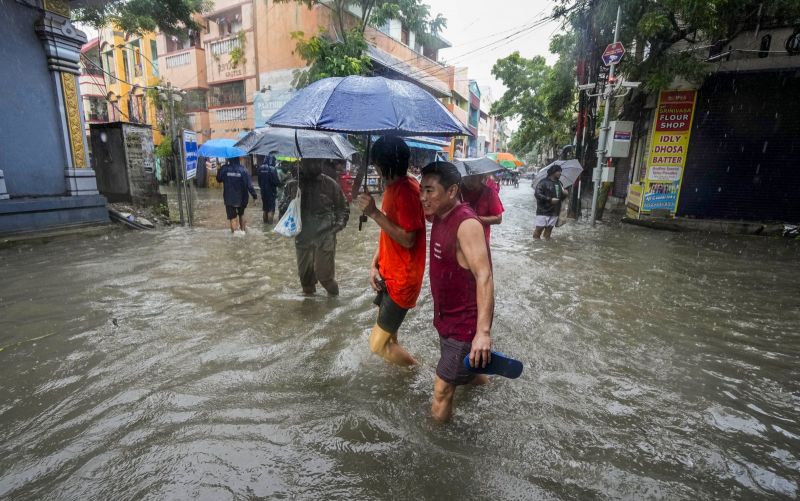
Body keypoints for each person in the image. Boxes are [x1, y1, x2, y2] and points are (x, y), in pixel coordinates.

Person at [420, 161, 494, 423]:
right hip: (446, 318)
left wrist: (482, 333)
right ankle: (491, 396)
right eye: (421, 190)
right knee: (471, 373)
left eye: (430, 190)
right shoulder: (440, 216)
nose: (423, 197)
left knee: (442, 390)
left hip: (463, 325)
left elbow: (484, 276)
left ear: (452, 191)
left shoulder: (466, 224)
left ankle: (435, 450)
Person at [356, 137, 426, 367]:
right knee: (390, 337)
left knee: (377, 345)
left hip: (402, 280)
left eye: (375, 163)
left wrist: (374, 213)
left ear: (383, 165)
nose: (374, 167)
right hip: (389, 272)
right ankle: (397, 380)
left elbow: (407, 239)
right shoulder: (393, 187)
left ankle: (419, 371)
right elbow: (389, 233)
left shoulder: (406, 191)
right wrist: (374, 263)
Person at [279, 159, 349, 295]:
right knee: (306, 282)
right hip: (303, 238)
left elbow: (343, 209)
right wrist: (290, 200)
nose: (317, 166)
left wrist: (336, 228)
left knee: (326, 279)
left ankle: (334, 305)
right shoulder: (293, 185)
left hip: (325, 237)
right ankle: (311, 312)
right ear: (302, 163)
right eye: (312, 162)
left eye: (319, 162)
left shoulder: (330, 184)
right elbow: (282, 212)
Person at [216, 157, 257, 233]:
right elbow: (249, 185)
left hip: (229, 198)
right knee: (242, 214)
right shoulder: (243, 170)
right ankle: (243, 232)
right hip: (242, 198)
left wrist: (219, 169)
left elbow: (218, 179)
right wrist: (254, 195)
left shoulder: (224, 168)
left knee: (232, 218)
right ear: (238, 159)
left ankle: (235, 237)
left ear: (229, 159)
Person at [461, 173, 504, 243]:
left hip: (481, 239)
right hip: (460, 236)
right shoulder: (457, 191)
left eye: (472, 177)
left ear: (480, 177)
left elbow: (498, 218)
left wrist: (474, 219)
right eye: (465, 177)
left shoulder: (490, 193)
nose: (468, 181)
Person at [533, 164, 569, 240]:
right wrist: (549, 199)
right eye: (559, 171)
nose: (560, 173)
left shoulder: (560, 183)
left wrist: (565, 194)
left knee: (549, 231)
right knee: (539, 229)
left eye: (560, 171)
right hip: (543, 211)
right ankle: (536, 246)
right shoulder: (543, 182)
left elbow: (560, 198)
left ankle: (546, 247)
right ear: (553, 172)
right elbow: (537, 194)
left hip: (555, 211)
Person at [257, 153, 281, 223]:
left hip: (263, 192)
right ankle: (269, 226)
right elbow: (276, 182)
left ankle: (265, 224)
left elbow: (259, 182)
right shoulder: (273, 169)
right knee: (271, 210)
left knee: (265, 209)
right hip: (271, 192)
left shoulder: (260, 168)